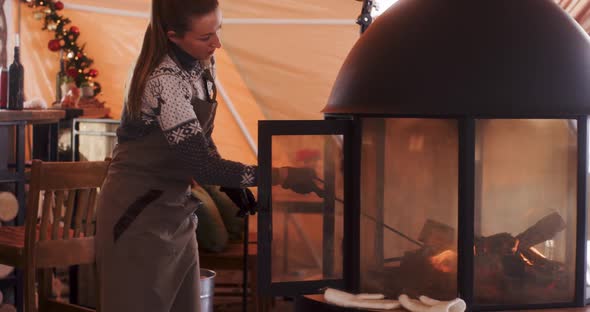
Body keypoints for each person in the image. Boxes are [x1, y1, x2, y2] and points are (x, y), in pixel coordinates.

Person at [94, 0, 317, 311]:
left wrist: (232, 184)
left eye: (218, 30)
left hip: (176, 212)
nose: (217, 44)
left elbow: (201, 142)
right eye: (205, 37)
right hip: (136, 216)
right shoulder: (164, 81)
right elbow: (202, 166)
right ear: (173, 36)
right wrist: (281, 175)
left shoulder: (202, 65)